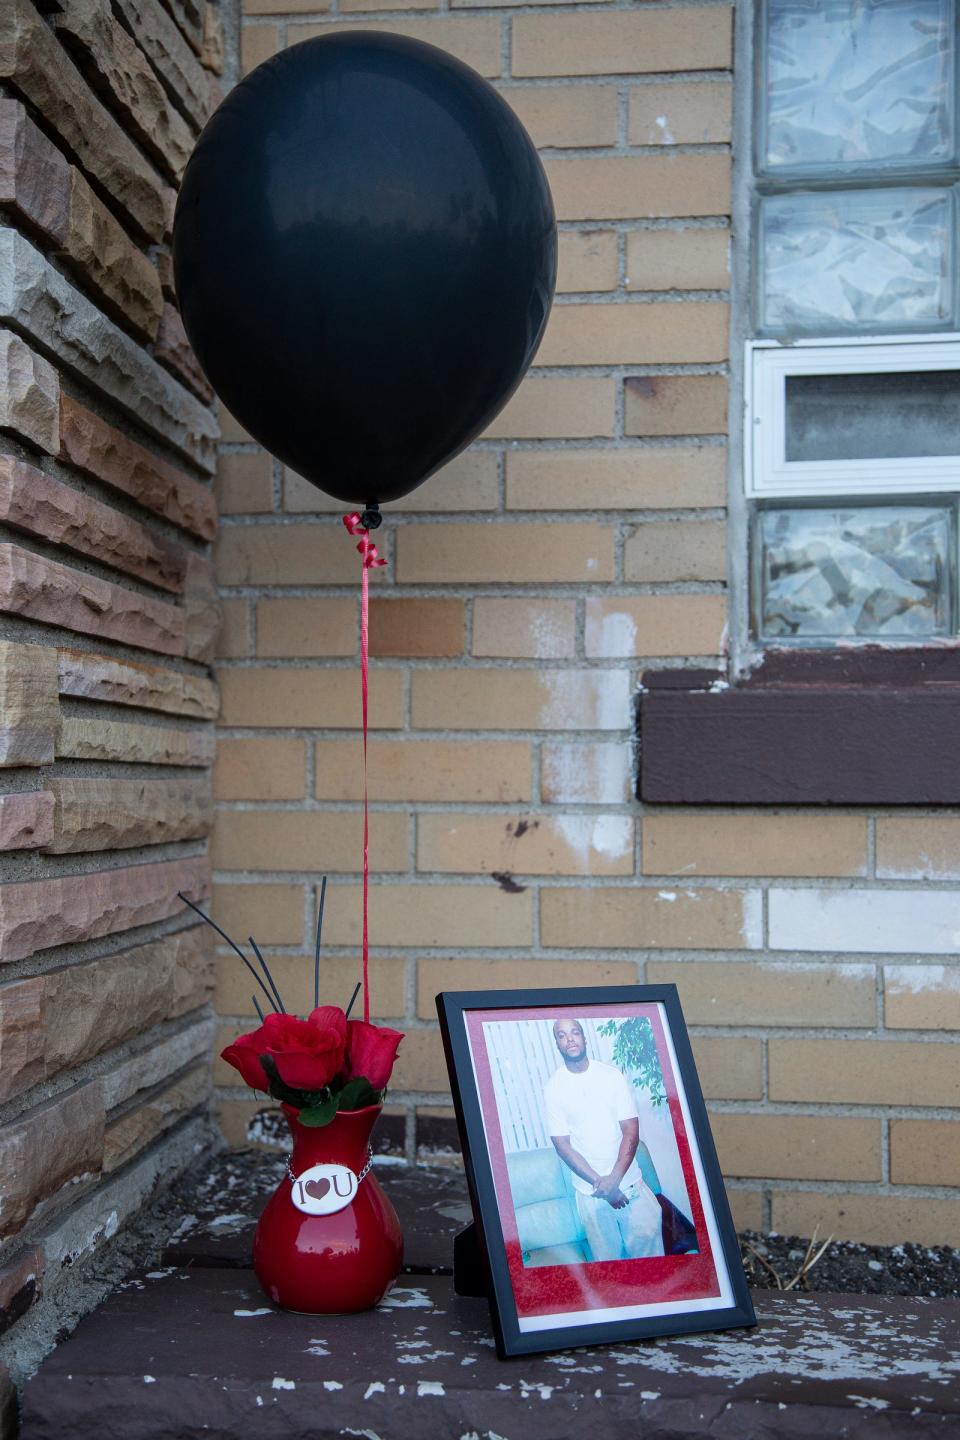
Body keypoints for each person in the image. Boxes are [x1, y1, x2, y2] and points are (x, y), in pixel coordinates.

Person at [544, 1017, 665, 1262]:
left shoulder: (611, 1076)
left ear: (584, 1037)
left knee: (652, 1268)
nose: (569, 1039)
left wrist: (614, 1180)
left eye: (574, 1032)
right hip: (591, 1197)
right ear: (556, 1043)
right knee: (610, 1270)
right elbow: (562, 1146)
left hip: (631, 1187)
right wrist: (604, 1186)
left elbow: (631, 1131)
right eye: (562, 1035)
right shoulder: (553, 1088)